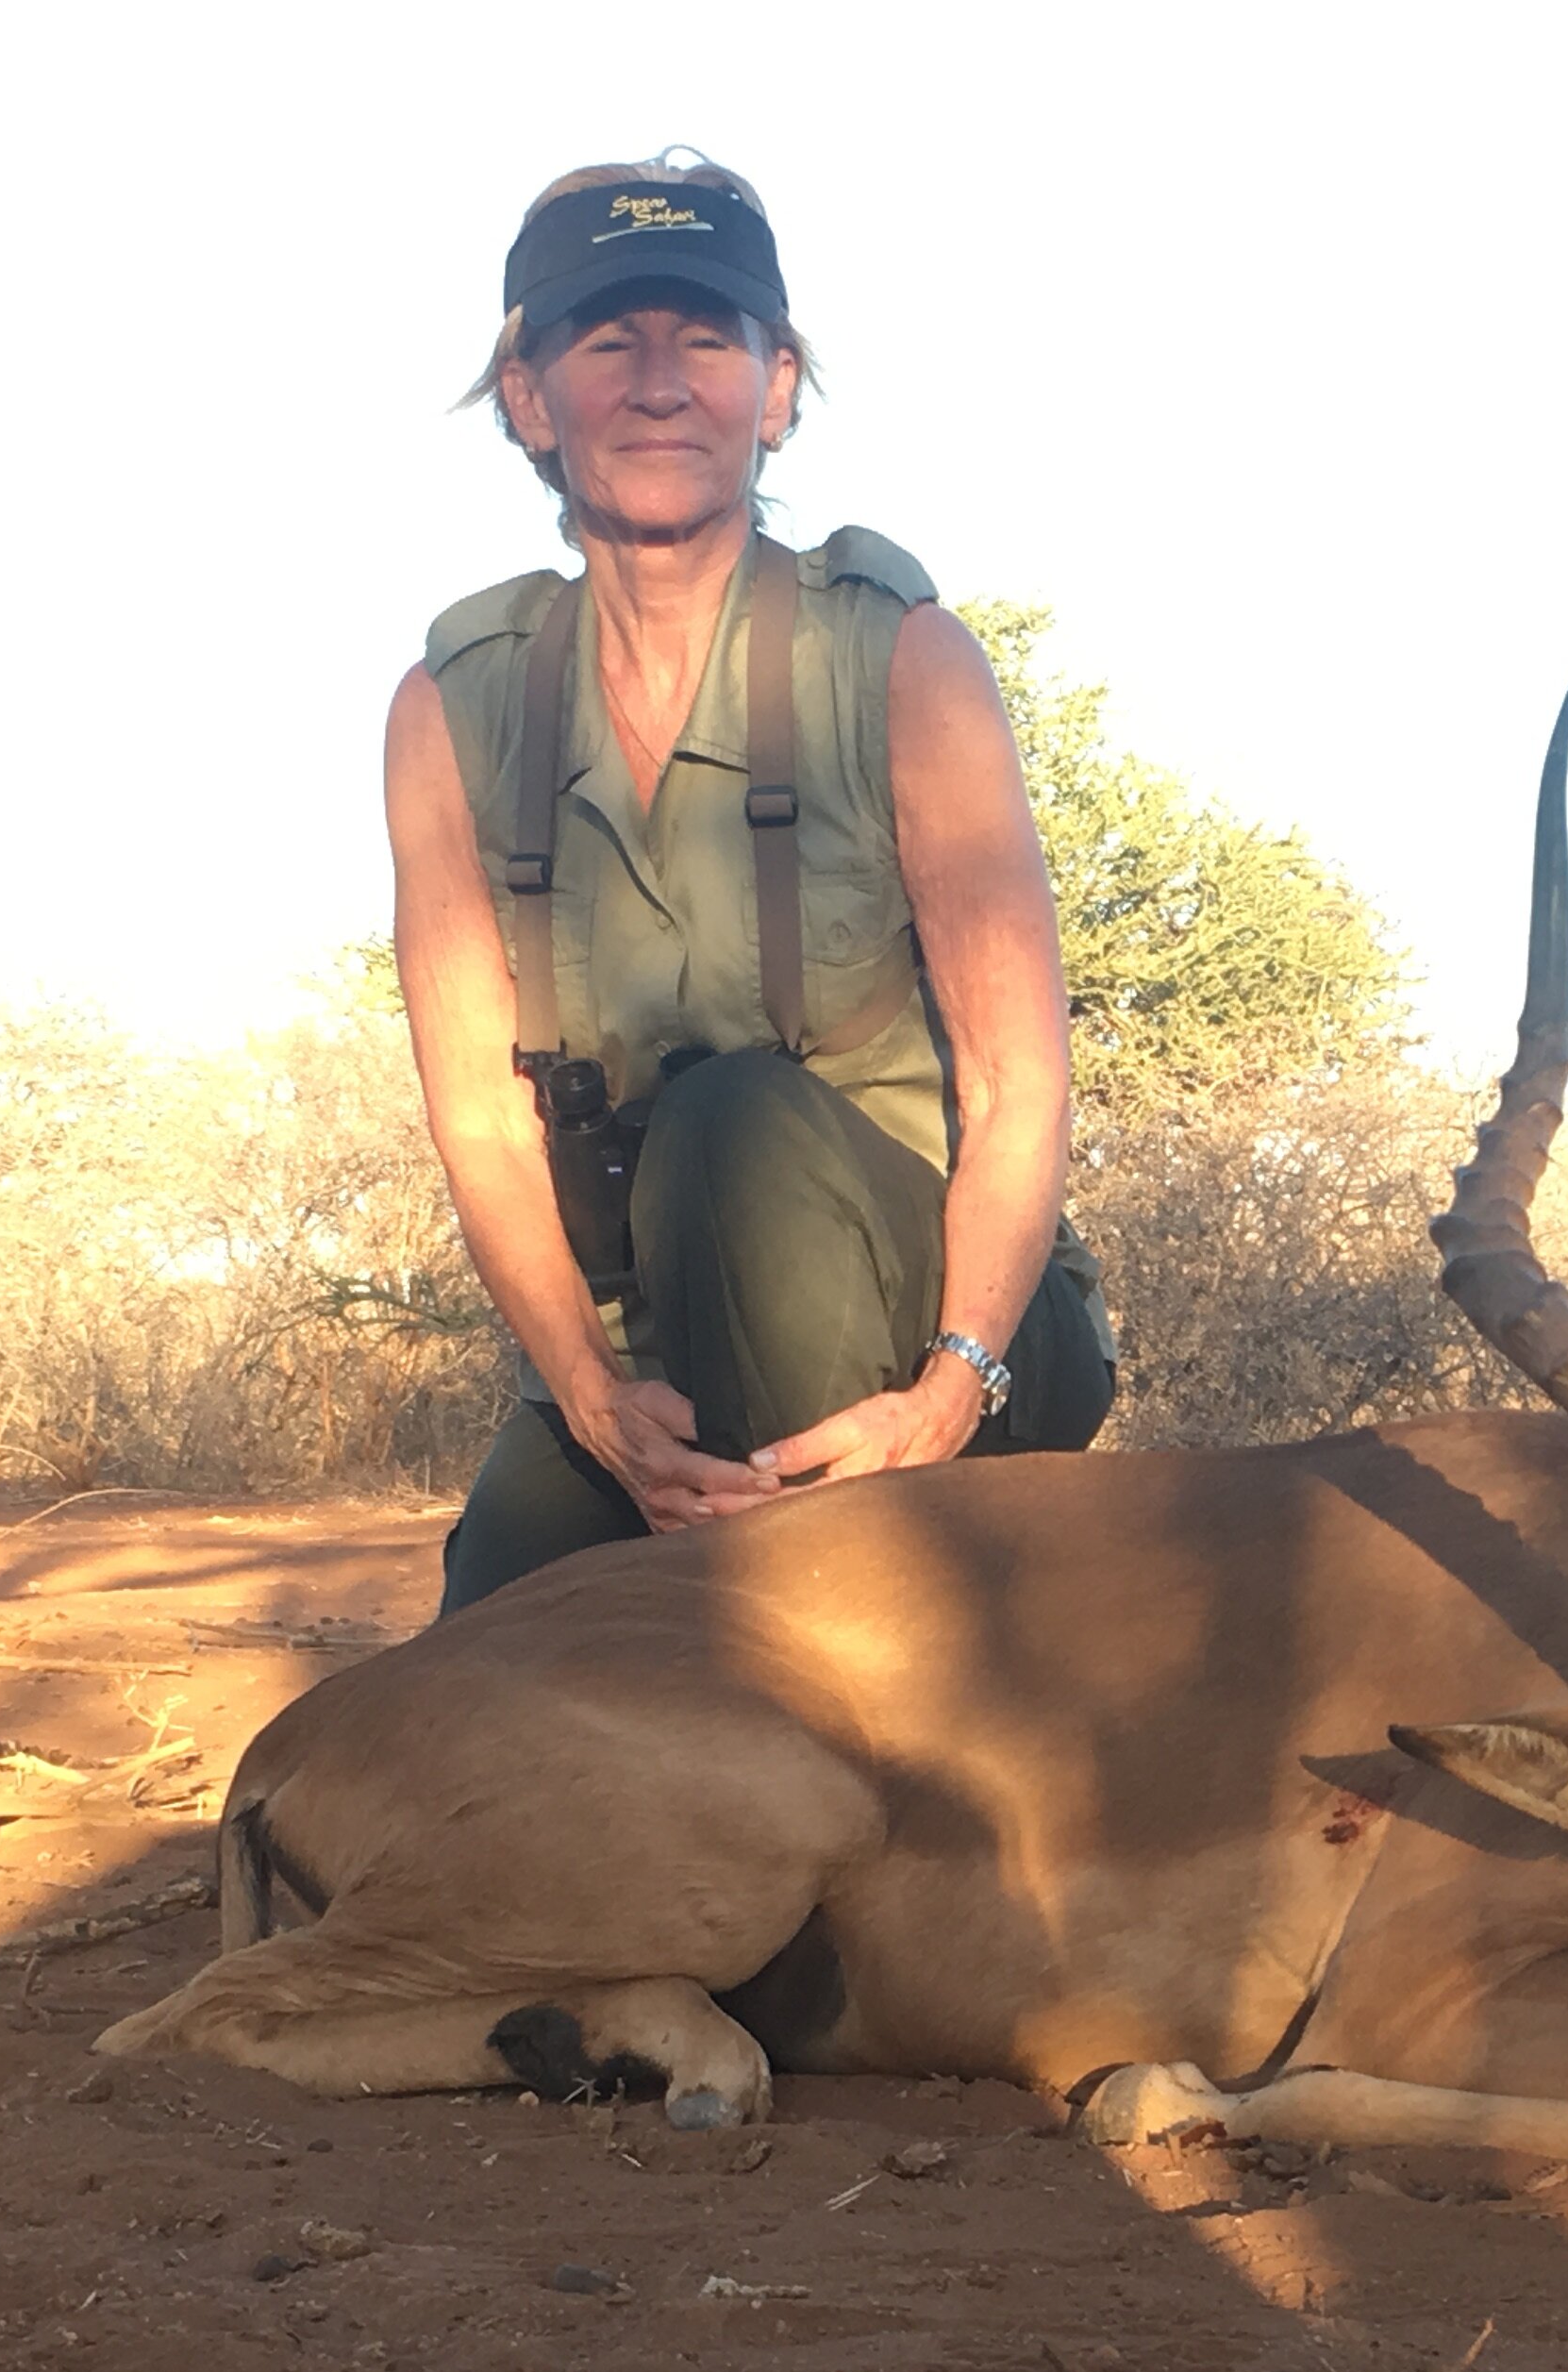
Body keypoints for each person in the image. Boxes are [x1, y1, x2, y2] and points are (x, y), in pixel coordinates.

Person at [386, 152, 1113, 1614]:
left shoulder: (899, 653)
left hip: (955, 1330)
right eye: (608, 342)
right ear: (530, 398)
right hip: (653, 1351)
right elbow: (477, 1106)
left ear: (775, 391)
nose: (661, 384)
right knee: (484, 1636)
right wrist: (592, 1397)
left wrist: (954, 1385)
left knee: (728, 1124)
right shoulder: (451, 705)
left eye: (707, 339)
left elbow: (1020, 1079)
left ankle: (893, 1668)